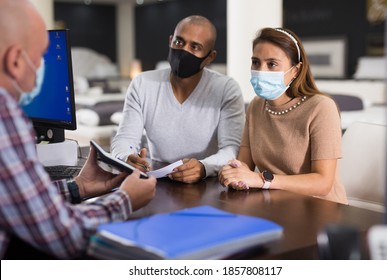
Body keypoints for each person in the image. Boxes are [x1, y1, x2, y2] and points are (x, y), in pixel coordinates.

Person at [0, 0, 156, 259]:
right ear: (16, 60)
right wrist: (126, 199)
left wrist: (78, 187)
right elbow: (62, 236)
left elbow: (17, 204)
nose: (42, 68)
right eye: (40, 58)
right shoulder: (5, 114)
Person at [218, 27, 348, 205]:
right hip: (273, 205)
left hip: (318, 209)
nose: (261, 70)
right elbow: (244, 164)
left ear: (295, 70)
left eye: (272, 64)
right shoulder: (256, 106)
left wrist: (262, 180)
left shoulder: (322, 108)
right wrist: (235, 174)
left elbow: (323, 183)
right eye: (256, 62)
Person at [111, 15, 245, 184]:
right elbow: (125, 139)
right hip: (157, 182)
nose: (184, 51)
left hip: (207, 185)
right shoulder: (142, 84)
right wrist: (126, 156)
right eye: (179, 42)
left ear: (210, 57)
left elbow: (231, 150)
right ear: (170, 41)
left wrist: (204, 167)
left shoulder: (226, 89)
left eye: (195, 47)